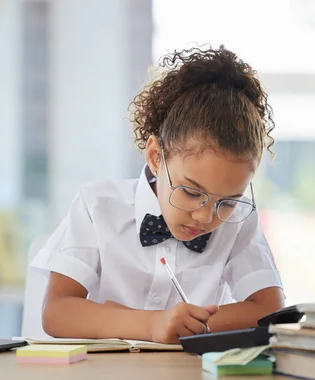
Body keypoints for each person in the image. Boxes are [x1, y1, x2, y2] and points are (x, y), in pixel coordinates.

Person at [29, 45, 285, 344]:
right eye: (191, 192)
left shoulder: (239, 221)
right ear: (155, 156)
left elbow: (269, 310)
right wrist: (152, 325)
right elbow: (57, 312)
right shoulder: (96, 206)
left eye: (226, 201)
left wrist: (187, 326)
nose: (205, 216)